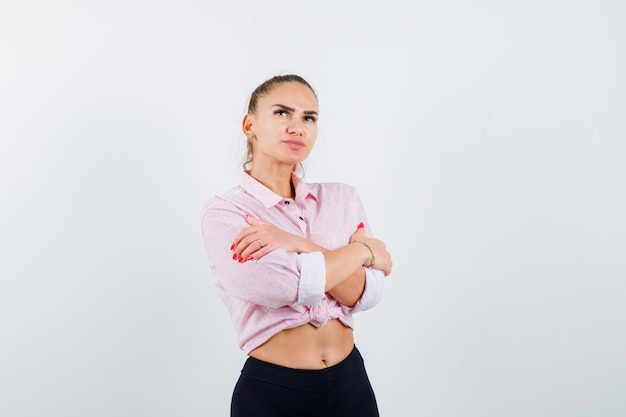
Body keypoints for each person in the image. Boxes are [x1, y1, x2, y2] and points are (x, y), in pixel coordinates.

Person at [201, 74, 393, 417]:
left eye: (309, 117)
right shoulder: (226, 213)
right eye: (281, 113)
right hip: (274, 394)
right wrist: (362, 252)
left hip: (352, 384)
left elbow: (367, 293)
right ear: (250, 124)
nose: (297, 127)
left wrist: (296, 243)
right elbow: (285, 286)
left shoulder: (342, 198)